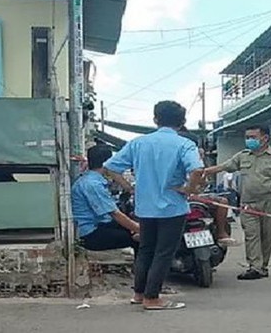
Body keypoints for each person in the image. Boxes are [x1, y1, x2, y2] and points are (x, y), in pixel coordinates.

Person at [104, 101, 204, 311]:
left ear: (155, 119)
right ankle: (152, 297)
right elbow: (197, 170)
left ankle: (139, 293)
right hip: (172, 208)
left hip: (145, 206)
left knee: (146, 250)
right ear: (182, 122)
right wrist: (189, 190)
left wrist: (130, 188)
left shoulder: (138, 142)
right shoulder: (185, 144)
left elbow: (110, 167)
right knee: (164, 252)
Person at [204, 124, 271, 280]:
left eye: (253, 137)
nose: (249, 140)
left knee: (268, 236)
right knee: (251, 235)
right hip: (248, 202)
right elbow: (224, 166)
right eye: (247, 138)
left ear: (265, 138)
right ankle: (255, 267)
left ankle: (263, 266)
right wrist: (203, 171)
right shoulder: (243, 156)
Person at [71, 145, 140, 254]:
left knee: (132, 229)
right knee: (140, 239)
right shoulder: (92, 184)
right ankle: (144, 270)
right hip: (91, 234)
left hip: (99, 224)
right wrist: (138, 229)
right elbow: (114, 214)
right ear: (107, 162)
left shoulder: (90, 179)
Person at [177, 126, 237, 246]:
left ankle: (221, 232)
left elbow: (202, 180)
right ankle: (221, 233)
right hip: (182, 197)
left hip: (193, 197)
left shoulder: (194, 159)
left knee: (223, 201)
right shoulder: (192, 159)